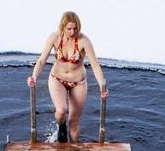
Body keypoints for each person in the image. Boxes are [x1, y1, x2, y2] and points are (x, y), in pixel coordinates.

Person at [27, 11, 108, 143]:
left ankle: (74, 150)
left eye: (75, 28)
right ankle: (61, 126)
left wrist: (102, 87)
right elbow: (42, 60)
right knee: (61, 111)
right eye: (69, 28)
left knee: (74, 121)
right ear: (63, 27)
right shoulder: (54, 38)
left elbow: (95, 65)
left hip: (78, 83)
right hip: (57, 79)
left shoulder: (83, 41)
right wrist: (34, 76)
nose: (72, 31)